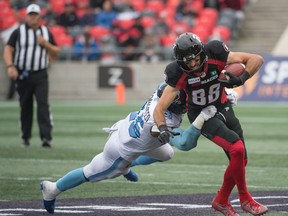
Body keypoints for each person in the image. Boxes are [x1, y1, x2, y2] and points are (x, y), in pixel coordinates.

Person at [40, 82, 217, 214]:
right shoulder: (164, 121)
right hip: (120, 151)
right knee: (89, 173)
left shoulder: (161, 92)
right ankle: (53, 188)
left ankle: (128, 166)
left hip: (131, 131)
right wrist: (202, 117)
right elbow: (185, 143)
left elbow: (174, 81)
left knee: (166, 153)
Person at [152, 32, 268, 216]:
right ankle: (246, 200)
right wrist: (162, 127)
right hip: (201, 115)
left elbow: (256, 59)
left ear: (201, 52)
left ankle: (221, 200)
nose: (192, 64)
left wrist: (241, 79)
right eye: (187, 61)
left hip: (222, 105)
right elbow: (159, 108)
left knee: (241, 160)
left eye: (195, 58)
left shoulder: (214, 51)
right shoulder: (177, 72)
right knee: (236, 149)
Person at [3, 3, 60, 147]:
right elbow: (8, 49)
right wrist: (10, 66)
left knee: (43, 105)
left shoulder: (46, 32)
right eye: (31, 15)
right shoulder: (18, 32)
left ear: (40, 16)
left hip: (40, 74)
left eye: (35, 15)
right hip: (23, 74)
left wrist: (45, 44)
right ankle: (25, 136)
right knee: (25, 106)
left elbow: (56, 52)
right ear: (27, 16)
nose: (33, 18)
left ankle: (46, 138)